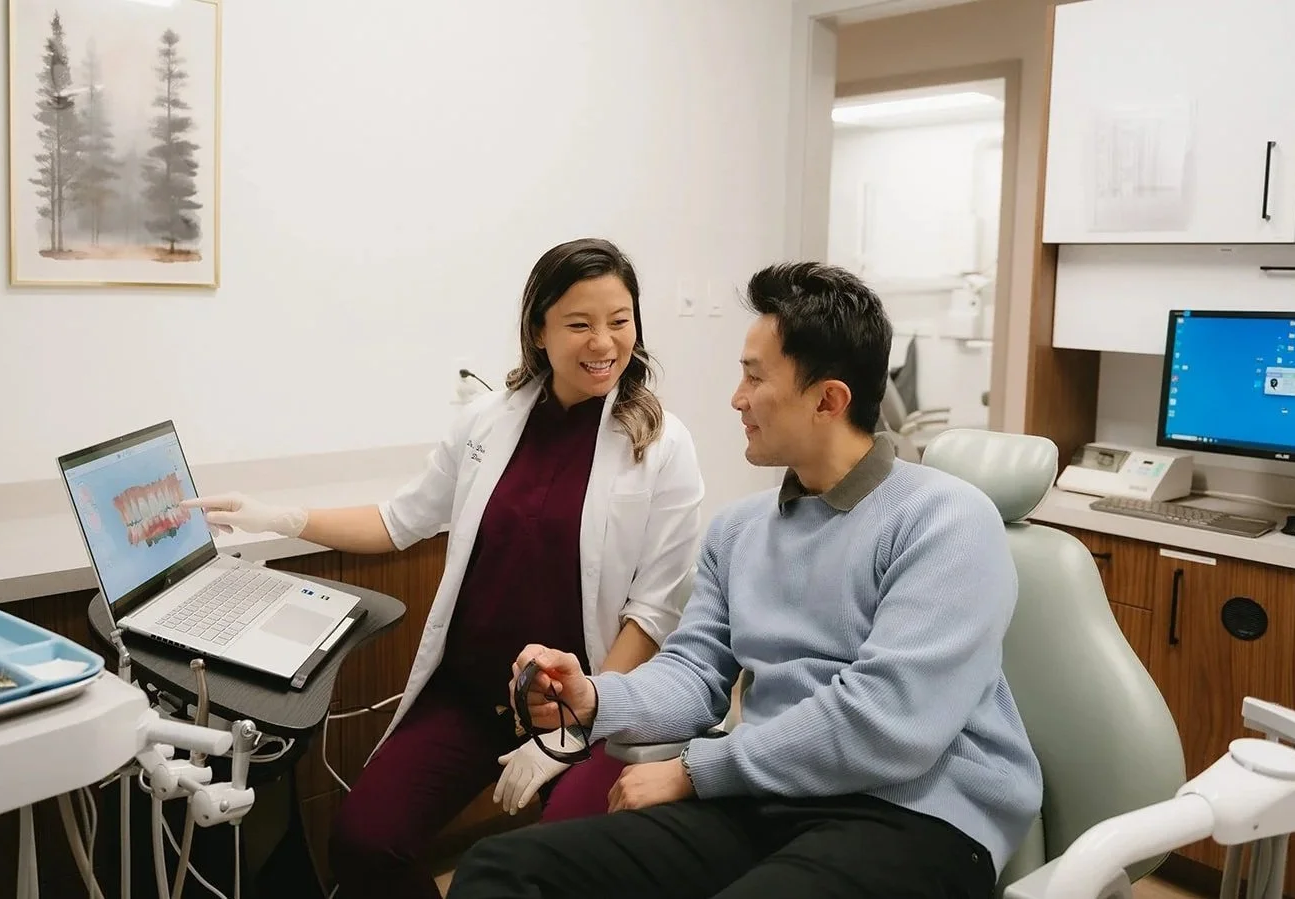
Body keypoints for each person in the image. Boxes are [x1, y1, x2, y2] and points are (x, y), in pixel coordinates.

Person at [447, 262, 1043, 899]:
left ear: (828, 400)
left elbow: (887, 724)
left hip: (917, 816)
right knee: (499, 870)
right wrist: (594, 698)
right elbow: (695, 674)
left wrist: (697, 769)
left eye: (755, 378)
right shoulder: (739, 531)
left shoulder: (946, 520)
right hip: (771, 797)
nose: (737, 398)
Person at [182, 238, 705, 899]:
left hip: (587, 703)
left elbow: (653, 613)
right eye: (579, 323)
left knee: (558, 868)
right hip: (472, 694)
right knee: (363, 843)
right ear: (538, 330)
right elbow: (399, 520)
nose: (603, 342)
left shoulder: (662, 445)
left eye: (619, 321)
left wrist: (578, 724)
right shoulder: (488, 420)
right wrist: (283, 518)